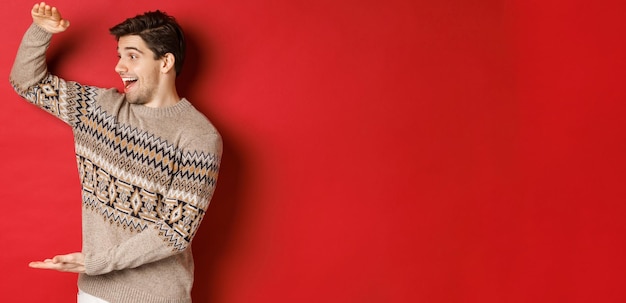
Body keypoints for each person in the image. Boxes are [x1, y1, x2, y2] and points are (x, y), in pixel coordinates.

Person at [10, 2, 222, 302]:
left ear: (165, 63)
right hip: (93, 294)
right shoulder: (97, 109)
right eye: (119, 56)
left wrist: (97, 263)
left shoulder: (198, 135)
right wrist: (41, 32)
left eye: (132, 57)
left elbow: (175, 231)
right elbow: (27, 83)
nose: (119, 67)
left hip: (156, 297)